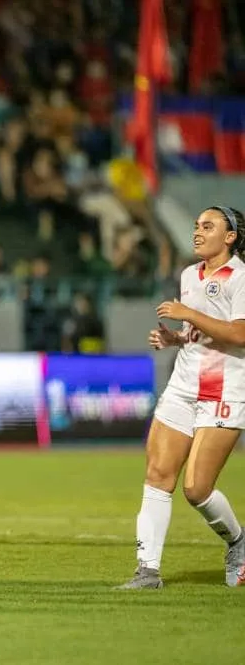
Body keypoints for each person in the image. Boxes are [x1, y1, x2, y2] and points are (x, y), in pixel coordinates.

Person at [118, 205, 245, 590]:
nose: (197, 232)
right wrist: (176, 338)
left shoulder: (241, 278)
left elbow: (239, 335)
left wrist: (186, 312)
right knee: (157, 474)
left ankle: (237, 541)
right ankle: (147, 571)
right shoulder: (190, 274)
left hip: (224, 390)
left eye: (208, 226)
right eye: (196, 225)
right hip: (183, 384)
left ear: (230, 237)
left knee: (196, 489)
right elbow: (202, 333)